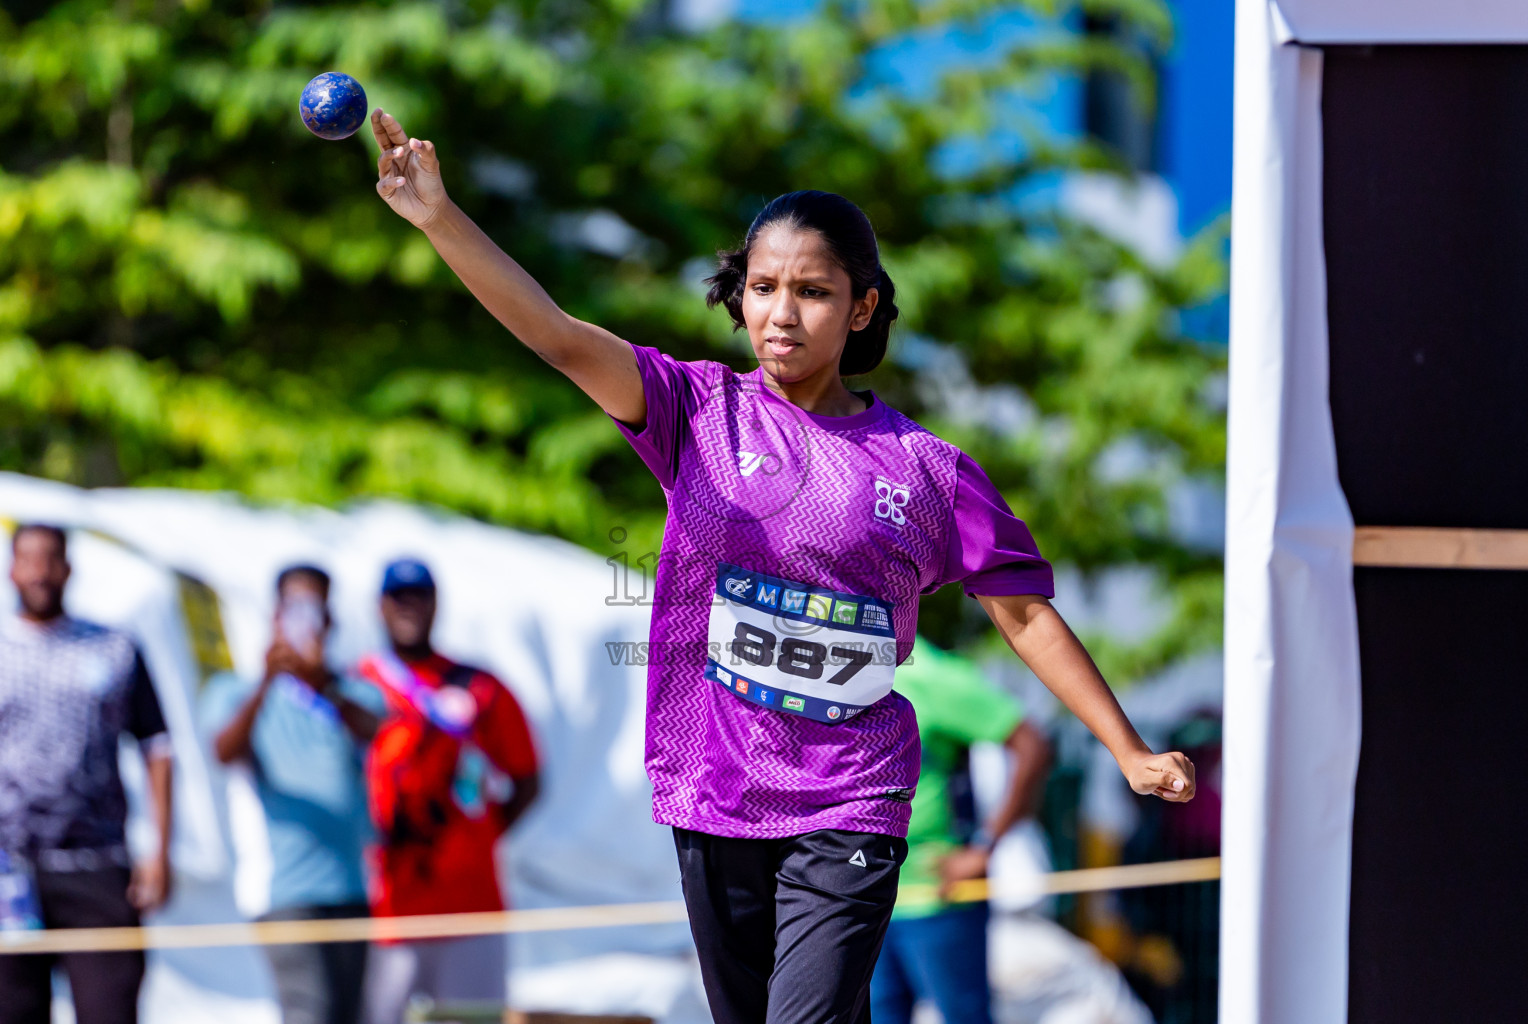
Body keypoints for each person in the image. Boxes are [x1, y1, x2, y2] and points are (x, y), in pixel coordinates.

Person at [369, 109, 1196, 1024]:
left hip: (852, 795)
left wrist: (1129, 751)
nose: (781, 314)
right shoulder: (694, 410)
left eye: (812, 291)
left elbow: (1026, 615)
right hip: (715, 789)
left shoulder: (928, 471)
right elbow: (560, 336)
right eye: (763, 288)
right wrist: (438, 217)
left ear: (863, 307)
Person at [0, 524, 173, 1024]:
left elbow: (158, 747)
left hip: (96, 864)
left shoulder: (112, 648)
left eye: (50, 559)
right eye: (27, 559)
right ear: (10, 568)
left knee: (110, 1009)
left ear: (68, 568)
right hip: (6, 871)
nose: (39, 572)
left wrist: (159, 852)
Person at [357, 558, 540, 1024]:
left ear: (436, 604)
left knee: (470, 1019)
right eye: (399, 597)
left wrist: (480, 837)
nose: (409, 607)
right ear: (380, 606)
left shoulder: (478, 686)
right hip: (391, 903)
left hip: (470, 901)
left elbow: (527, 777)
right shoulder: (358, 686)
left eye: (420, 595)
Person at [199, 565, 381, 1024]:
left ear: (330, 619)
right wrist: (268, 681)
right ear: (275, 616)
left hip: (351, 887)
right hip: (283, 888)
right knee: (309, 1011)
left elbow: (378, 731)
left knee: (349, 1015)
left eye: (313, 609)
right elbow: (224, 750)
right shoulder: (237, 691)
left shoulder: (353, 691)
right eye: (293, 609)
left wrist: (324, 687)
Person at [870, 637, 1052, 1024]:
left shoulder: (932, 674)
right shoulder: (840, 663)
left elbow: (1032, 745)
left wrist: (983, 848)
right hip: (863, 896)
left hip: (939, 897)